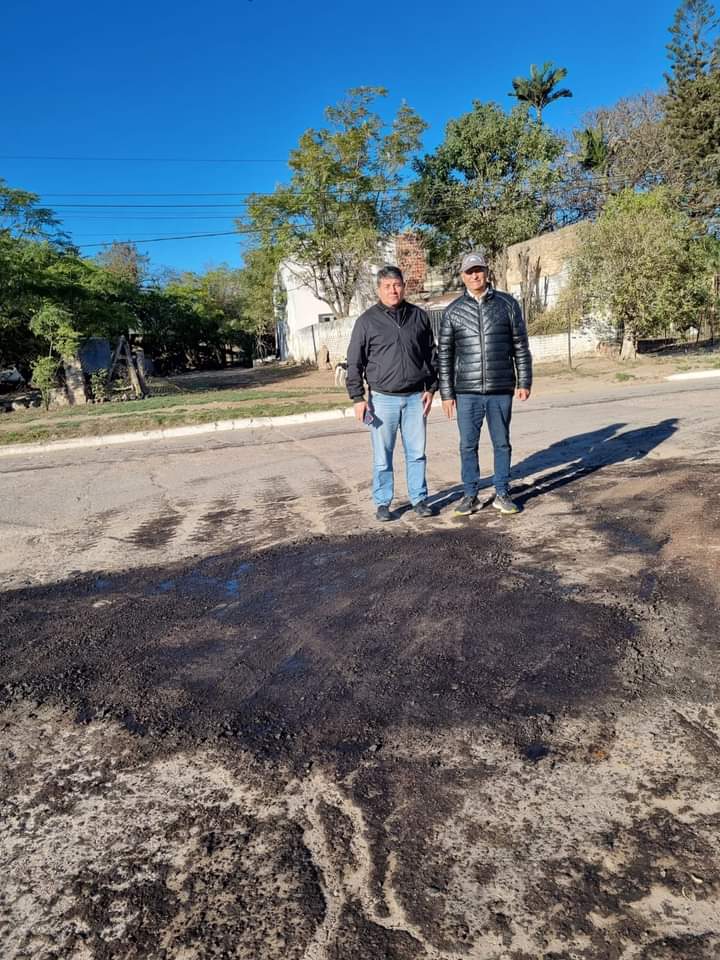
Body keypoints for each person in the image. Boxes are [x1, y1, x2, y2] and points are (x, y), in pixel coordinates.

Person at [438, 252, 532, 516]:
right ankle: (471, 495)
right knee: (467, 445)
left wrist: (524, 380)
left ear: (486, 272)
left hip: (500, 389)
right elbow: (444, 354)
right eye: (469, 271)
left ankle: (502, 491)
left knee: (501, 443)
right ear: (462, 276)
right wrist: (446, 393)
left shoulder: (507, 305)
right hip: (466, 392)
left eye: (478, 269)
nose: (475, 275)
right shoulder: (453, 311)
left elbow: (520, 347)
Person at [346, 265, 437, 522]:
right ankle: (383, 502)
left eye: (396, 284)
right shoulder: (366, 321)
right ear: (379, 289)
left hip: (415, 399)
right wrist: (357, 398)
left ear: (403, 286)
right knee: (382, 456)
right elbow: (354, 362)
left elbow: (431, 355)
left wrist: (431, 388)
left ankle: (419, 499)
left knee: (417, 453)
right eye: (387, 286)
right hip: (381, 400)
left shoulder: (419, 317)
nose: (393, 290)